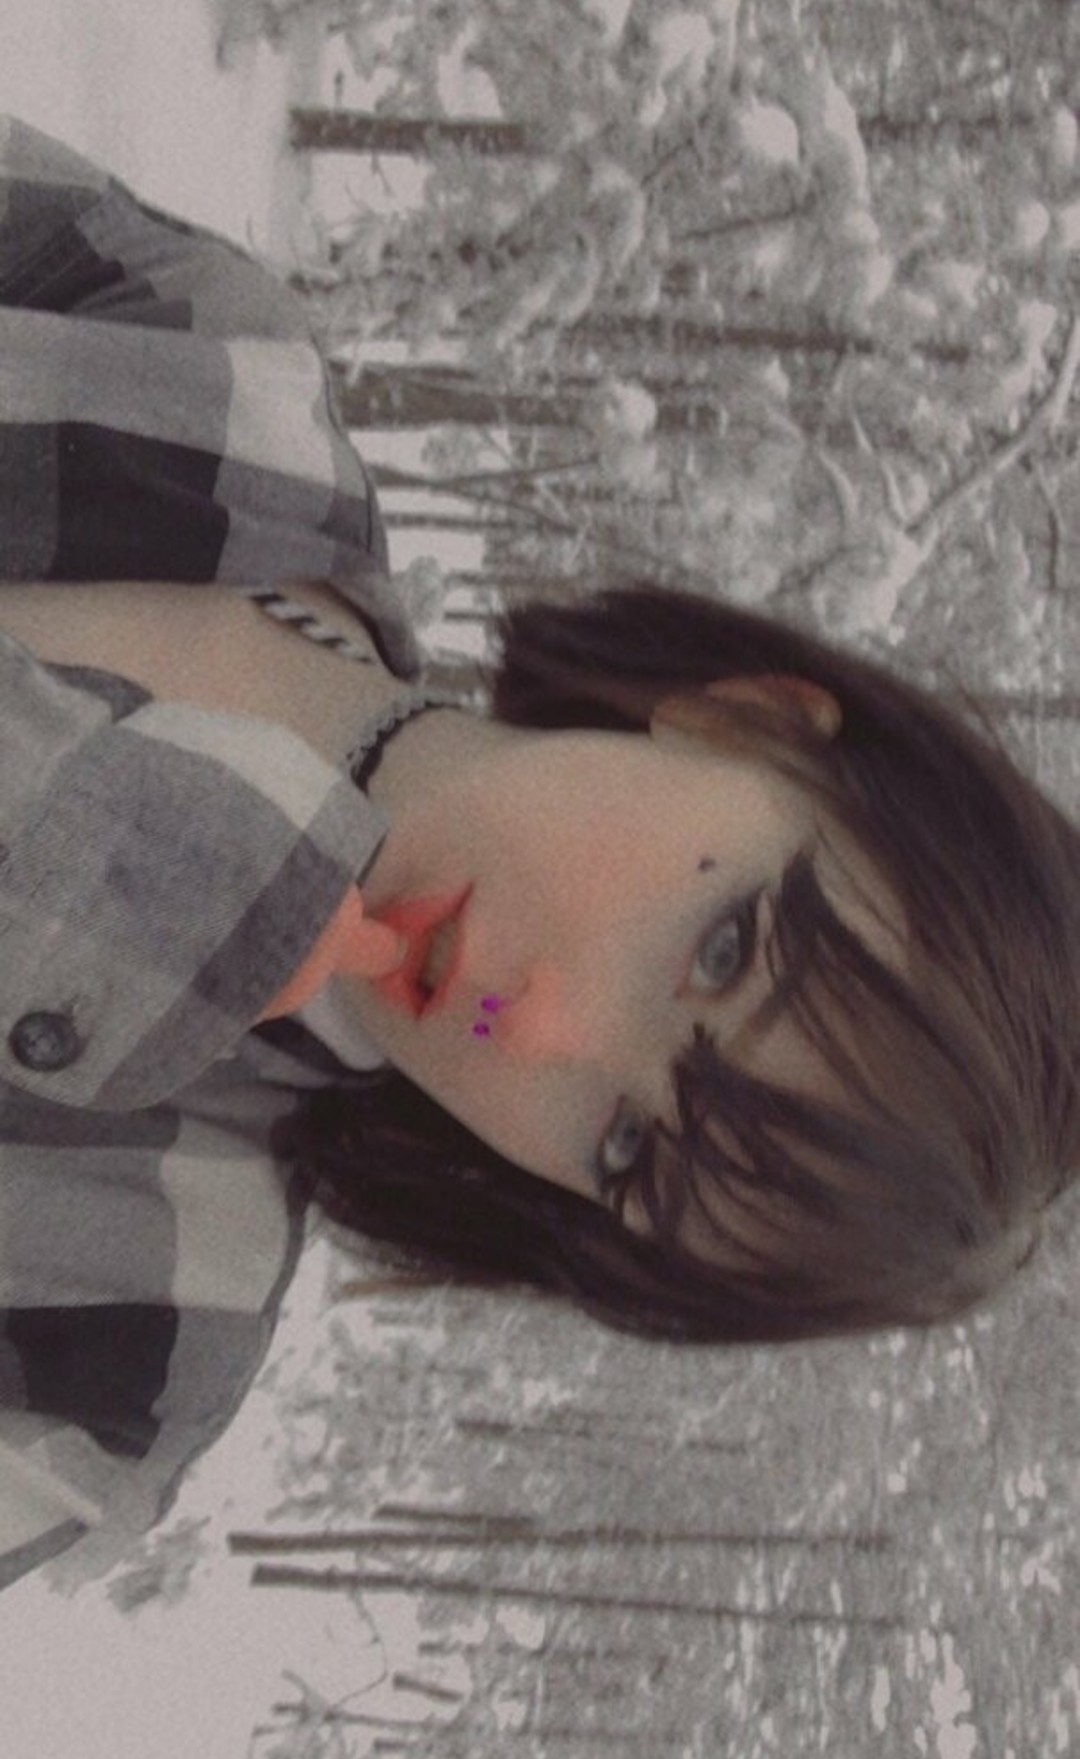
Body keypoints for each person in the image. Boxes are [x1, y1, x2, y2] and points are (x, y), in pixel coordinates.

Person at [0, 117, 1077, 1594]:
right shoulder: (216, 380)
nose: (537, 1026)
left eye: (623, 1148)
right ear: (752, 726)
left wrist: (82, 884)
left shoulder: (125, 1347)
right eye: (720, 951)